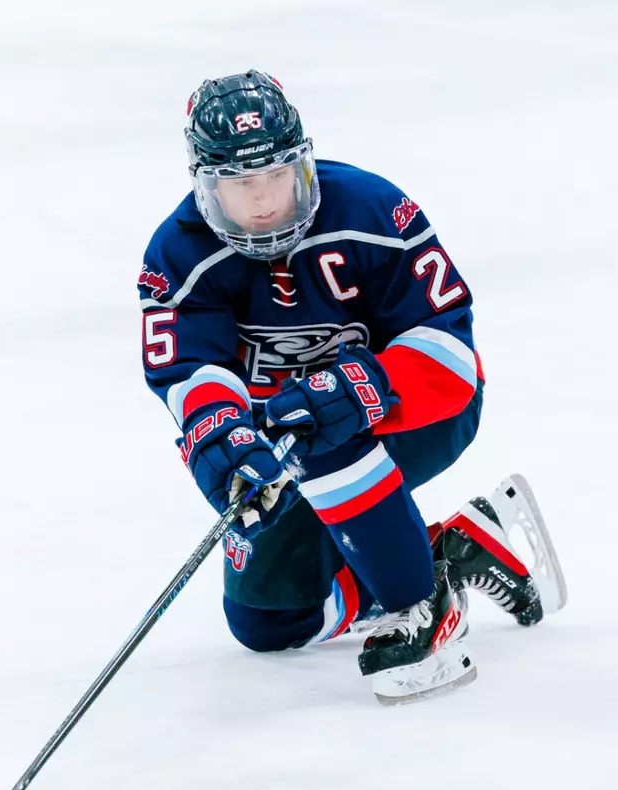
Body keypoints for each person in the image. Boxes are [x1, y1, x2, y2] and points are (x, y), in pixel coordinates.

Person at [140, 72, 565, 704]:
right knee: (267, 622)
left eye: (275, 176)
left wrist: (362, 387)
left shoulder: (373, 210)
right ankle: (445, 551)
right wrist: (223, 441)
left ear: (302, 163)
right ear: (204, 183)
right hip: (287, 444)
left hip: (419, 412)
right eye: (239, 183)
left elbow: (450, 356)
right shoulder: (178, 255)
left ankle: (420, 607)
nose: (261, 201)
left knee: (323, 428)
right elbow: (190, 373)